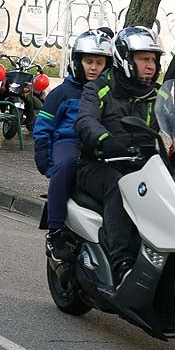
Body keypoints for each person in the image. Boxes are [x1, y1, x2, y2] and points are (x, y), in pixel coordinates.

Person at [75, 26, 165, 287]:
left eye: (154, 59)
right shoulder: (100, 88)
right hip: (99, 163)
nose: (151, 65)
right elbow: (85, 120)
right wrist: (106, 141)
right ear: (126, 58)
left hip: (143, 166)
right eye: (144, 58)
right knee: (118, 187)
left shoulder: (158, 93)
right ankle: (122, 264)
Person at [34, 30, 112, 270]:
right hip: (69, 142)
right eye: (89, 62)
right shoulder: (61, 93)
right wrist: (46, 162)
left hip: (99, 144)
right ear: (77, 61)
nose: (94, 68)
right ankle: (55, 231)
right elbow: (43, 127)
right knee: (66, 165)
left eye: (100, 63)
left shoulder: (110, 92)